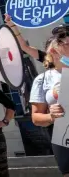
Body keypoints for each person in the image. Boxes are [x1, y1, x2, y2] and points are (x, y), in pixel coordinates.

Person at [30, 30, 69, 176]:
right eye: (68, 44)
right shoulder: (42, 79)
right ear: (54, 51)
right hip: (64, 139)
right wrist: (51, 116)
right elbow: (36, 118)